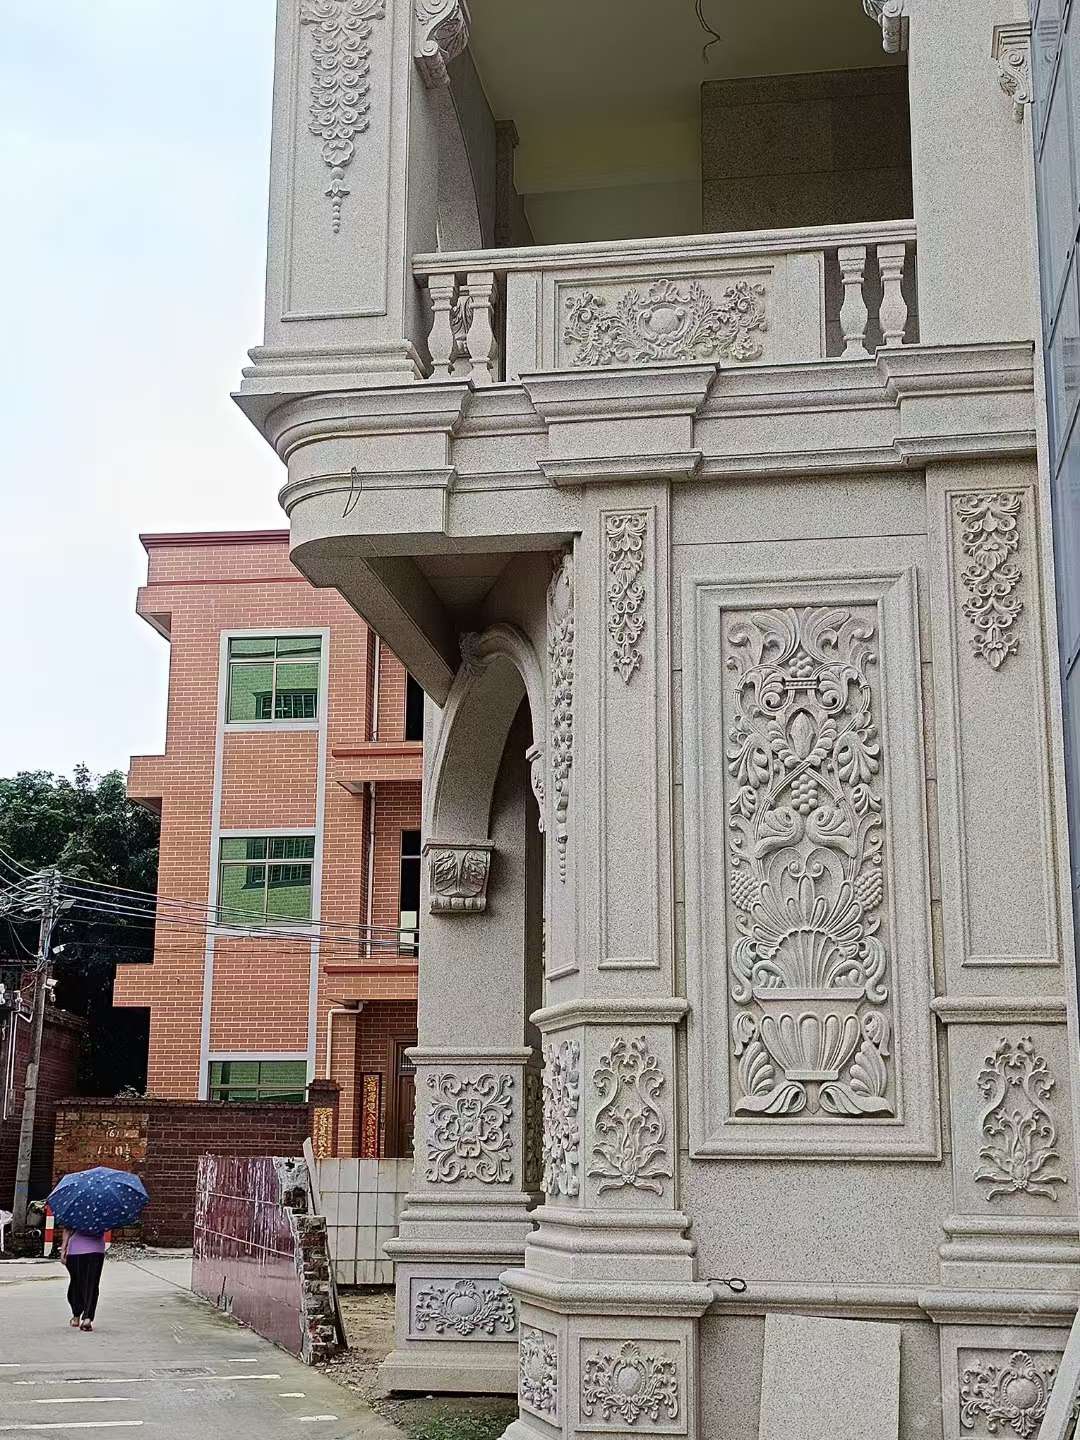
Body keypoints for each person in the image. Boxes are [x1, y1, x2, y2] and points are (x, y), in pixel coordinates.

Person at [61, 1227, 105, 1331]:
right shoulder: (104, 1216)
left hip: (75, 1251)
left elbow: (67, 1230)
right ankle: (87, 1318)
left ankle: (76, 1316)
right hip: (96, 1250)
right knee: (92, 1285)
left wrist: (63, 1249)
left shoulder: (75, 1216)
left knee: (76, 1283)